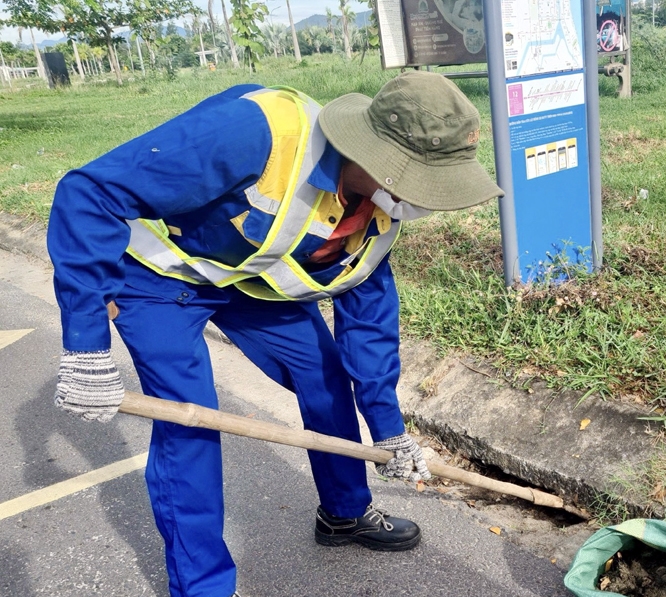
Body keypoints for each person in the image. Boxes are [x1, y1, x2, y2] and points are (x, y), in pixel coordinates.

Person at [47, 71, 503, 597]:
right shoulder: (260, 133)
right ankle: (203, 588)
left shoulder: (377, 216)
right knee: (189, 422)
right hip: (157, 279)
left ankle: (344, 512)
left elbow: (369, 320)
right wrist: (86, 346)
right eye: (423, 181)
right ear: (375, 158)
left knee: (326, 377)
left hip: (245, 281)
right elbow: (90, 192)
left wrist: (389, 428)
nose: (425, 200)